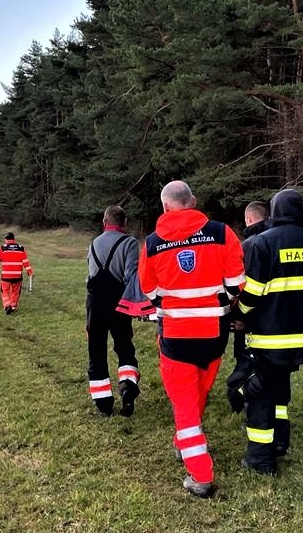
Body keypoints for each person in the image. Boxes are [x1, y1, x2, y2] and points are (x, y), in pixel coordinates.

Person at [138, 180, 245, 498]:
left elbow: (149, 291)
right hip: (214, 333)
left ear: (164, 206)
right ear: (193, 201)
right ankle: (182, 444)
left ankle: (200, 475)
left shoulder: (153, 243)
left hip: (175, 336)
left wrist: (173, 305)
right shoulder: (222, 233)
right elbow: (236, 282)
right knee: (199, 392)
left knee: (184, 407)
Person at [234, 189, 303, 475]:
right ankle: (280, 440)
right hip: (301, 335)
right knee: (280, 388)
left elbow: (252, 293)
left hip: (268, 335)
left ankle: (261, 459)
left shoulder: (262, 243)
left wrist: (238, 316)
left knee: (259, 393)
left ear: (274, 212)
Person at [86, 205, 141, 417]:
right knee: (124, 347)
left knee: (96, 351)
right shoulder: (129, 243)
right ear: (124, 223)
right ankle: (127, 387)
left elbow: (90, 275)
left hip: (94, 303)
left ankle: (103, 403)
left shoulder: (93, 244)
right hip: (119, 304)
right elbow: (130, 276)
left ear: (104, 222)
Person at [226, 200, 270, 412]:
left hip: (250, 315)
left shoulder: (250, 245)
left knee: (246, 357)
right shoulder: (278, 240)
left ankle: (240, 395)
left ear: (249, 219)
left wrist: (239, 315)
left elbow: (244, 285)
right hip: (275, 317)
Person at [0, 232, 33, 314]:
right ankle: (13, 306)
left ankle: (7, 305)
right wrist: (30, 272)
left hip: (6, 276)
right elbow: (25, 262)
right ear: (14, 239)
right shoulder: (21, 248)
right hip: (17, 276)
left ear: (6, 239)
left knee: (4, 291)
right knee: (16, 291)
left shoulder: (3, 248)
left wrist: (2, 259)